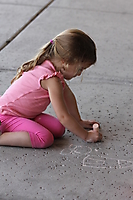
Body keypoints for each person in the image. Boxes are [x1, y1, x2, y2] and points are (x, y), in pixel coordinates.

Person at [0, 29, 102, 148]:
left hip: (25, 114)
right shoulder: (51, 79)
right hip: (6, 117)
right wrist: (86, 136)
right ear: (65, 62)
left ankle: (26, 126)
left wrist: (78, 121)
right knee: (44, 138)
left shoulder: (52, 70)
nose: (79, 74)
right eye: (80, 69)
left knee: (58, 129)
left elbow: (68, 97)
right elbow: (63, 116)